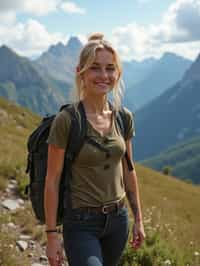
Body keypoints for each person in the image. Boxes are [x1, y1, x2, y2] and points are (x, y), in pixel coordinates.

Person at [44, 32, 145, 266]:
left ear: (117, 73)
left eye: (110, 68)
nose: (103, 75)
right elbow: (52, 180)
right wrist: (51, 236)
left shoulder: (124, 117)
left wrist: (138, 219)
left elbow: (129, 171)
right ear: (81, 72)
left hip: (118, 221)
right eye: (95, 68)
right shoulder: (67, 120)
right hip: (80, 223)